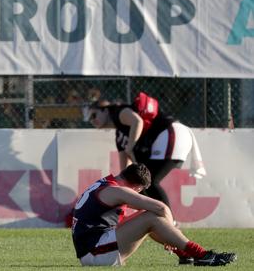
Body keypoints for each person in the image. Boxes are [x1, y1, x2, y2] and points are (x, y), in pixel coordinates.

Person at [72, 163, 236, 266]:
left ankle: (185, 253)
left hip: (93, 249)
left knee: (147, 217)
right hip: (95, 254)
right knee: (152, 216)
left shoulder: (106, 183)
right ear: (137, 188)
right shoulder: (117, 191)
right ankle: (201, 255)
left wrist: (168, 234)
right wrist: (169, 231)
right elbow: (162, 208)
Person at [86, 99, 205, 209]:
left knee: (150, 181)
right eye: (89, 118)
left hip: (170, 132)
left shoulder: (119, 112)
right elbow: (125, 171)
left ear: (105, 111)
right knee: (137, 181)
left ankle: (168, 221)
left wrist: (131, 147)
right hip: (166, 137)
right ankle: (156, 219)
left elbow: (137, 121)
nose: (92, 120)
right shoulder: (119, 136)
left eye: (94, 115)